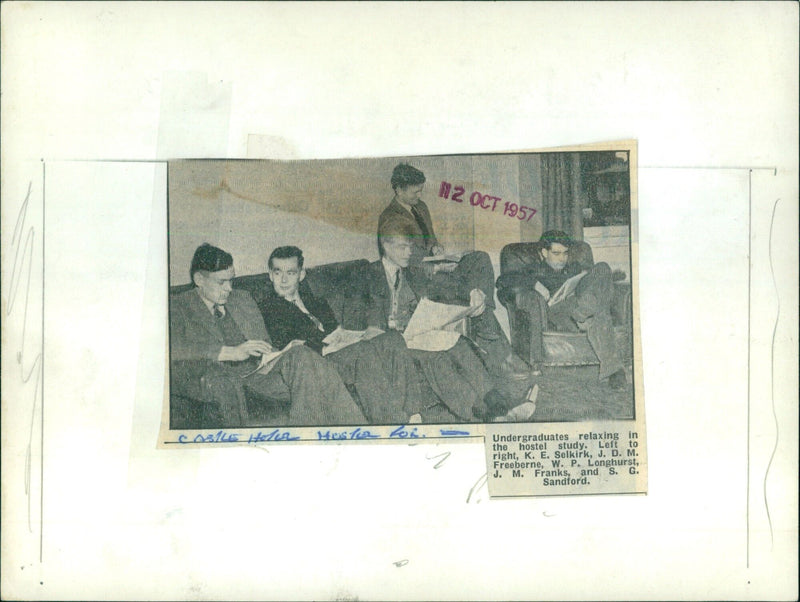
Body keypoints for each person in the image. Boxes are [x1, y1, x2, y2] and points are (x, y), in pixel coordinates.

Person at [169, 243, 366, 427]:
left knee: (302, 354)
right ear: (199, 280)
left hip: (262, 372)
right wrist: (228, 352)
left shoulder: (242, 298)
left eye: (231, 280)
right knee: (307, 362)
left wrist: (280, 353)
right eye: (221, 282)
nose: (229, 288)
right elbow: (169, 348)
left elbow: (266, 342)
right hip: (231, 379)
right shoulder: (178, 306)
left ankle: (358, 433)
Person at [366, 219, 537, 422]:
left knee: (460, 343)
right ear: (385, 246)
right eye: (402, 247)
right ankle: (486, 415)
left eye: (410, 247)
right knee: (438, 359)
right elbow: (365, 316)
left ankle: (498, 406)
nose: (408, 253)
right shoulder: (369, 273)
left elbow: (445, 286)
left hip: (416, 335)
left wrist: (473, 291)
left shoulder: (411, 272)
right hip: (391, 343)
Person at [377, 163, 527, 377]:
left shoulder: (421, 207)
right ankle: (503, 357)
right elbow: (403, 260)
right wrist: (436, 266)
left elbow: (429, 240)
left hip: (436, 266)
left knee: (480, 258)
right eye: (414, 191)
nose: (419, 195)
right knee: (466, 291)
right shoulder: (390, 218)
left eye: (421, 190)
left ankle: (483, 301)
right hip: (419, 278)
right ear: (398, 190)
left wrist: (437, 248)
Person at [257, 245, 427, 424]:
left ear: (301, 275)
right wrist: (332, 345)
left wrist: (356, 335)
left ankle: (413, 414)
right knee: (364, 351)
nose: (283, 280)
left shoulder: (315, 301)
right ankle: (392, 423)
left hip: (339, 349)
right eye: (277, 273)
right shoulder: (269, 308)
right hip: (318, 362)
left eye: (290, 273)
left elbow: (336, 329)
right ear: (270, 275)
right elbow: (288, 345)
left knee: (391, 338)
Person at [496, 230, 627, 389]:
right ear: (544, 252)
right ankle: (615, 370)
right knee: (598, 308)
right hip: (556, 312)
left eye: (565, 254)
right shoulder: (533, 269)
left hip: (579, 306)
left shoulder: (574, 267)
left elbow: (596, 282)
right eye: (556, 253)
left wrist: (603, 278)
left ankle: (584, 314)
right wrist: (535, 284)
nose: (562, 259)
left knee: (603, 268)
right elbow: (503, 280)